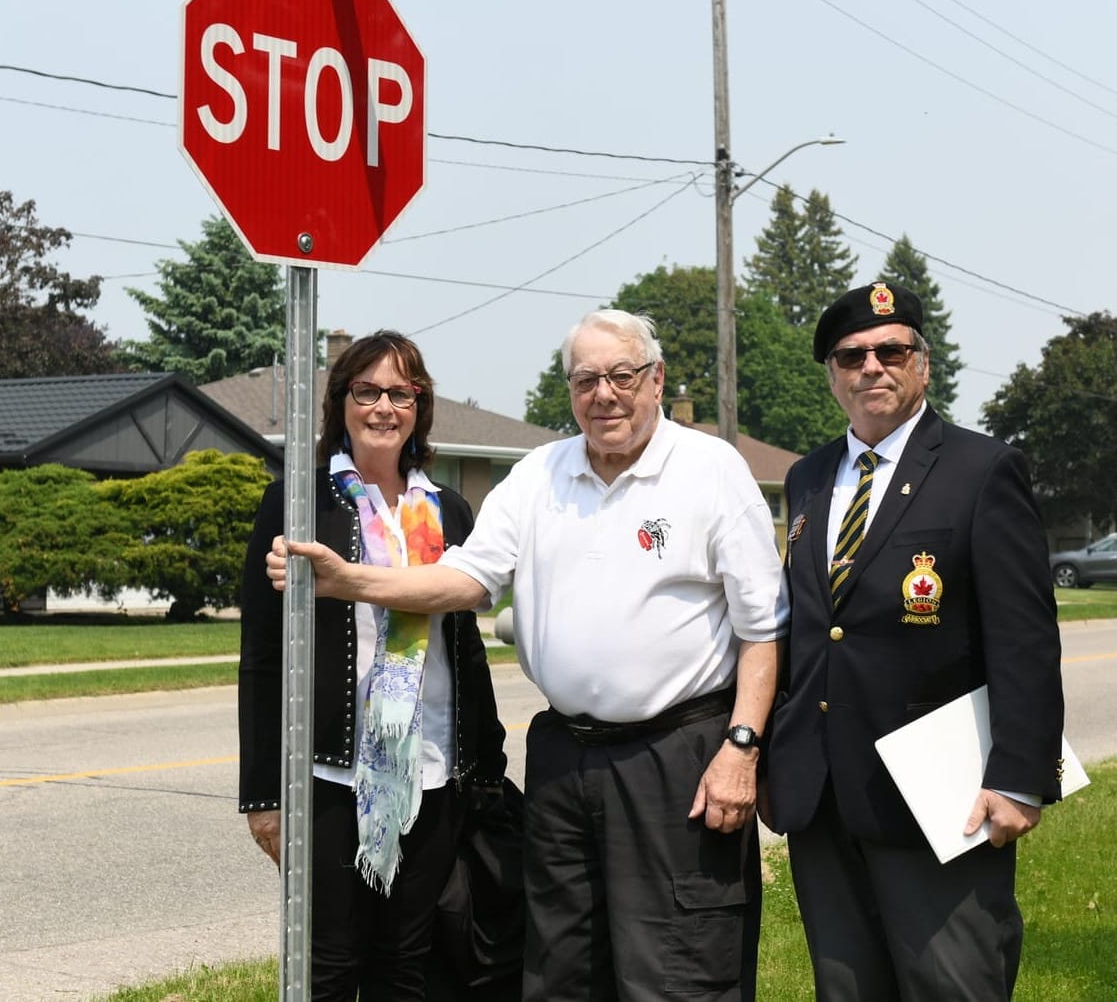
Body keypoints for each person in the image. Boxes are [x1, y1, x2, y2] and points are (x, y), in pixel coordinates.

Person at [269, 309, 786, 1002]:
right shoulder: (540, 473)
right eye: (585, 379)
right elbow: (464, 580)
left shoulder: (710, 470)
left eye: (621, 375)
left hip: (676, 757)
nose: (603, 394)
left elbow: (763, 627)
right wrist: (348, 580)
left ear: (656, 379)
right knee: (559, 963)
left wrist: (741, 747)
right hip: (563, 759)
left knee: (678, 964)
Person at [761, 281, 1065, 1001]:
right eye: (850, 356)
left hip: (940, 791)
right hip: (823, 793)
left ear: (921, 365)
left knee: (950, 984)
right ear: (831, 375)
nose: (871, 367)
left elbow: (1024, 639)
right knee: (846, 988)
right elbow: (805, 629)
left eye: (890, 350)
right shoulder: (806, 479)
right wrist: (774, 757)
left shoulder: (980, 469)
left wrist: (1019, 777)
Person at [238, 330, 509, 1002]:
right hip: (330, 774)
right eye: (367, 391)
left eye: (399, 392)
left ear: (419, 405)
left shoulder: (448, 510)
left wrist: (485, 764)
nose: (383, 406)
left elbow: (466, 646)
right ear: (342, 402)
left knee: (407, 961)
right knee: (329, 964)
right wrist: (262, 796)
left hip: (433, 772)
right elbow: (262, 656)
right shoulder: (300, 501)